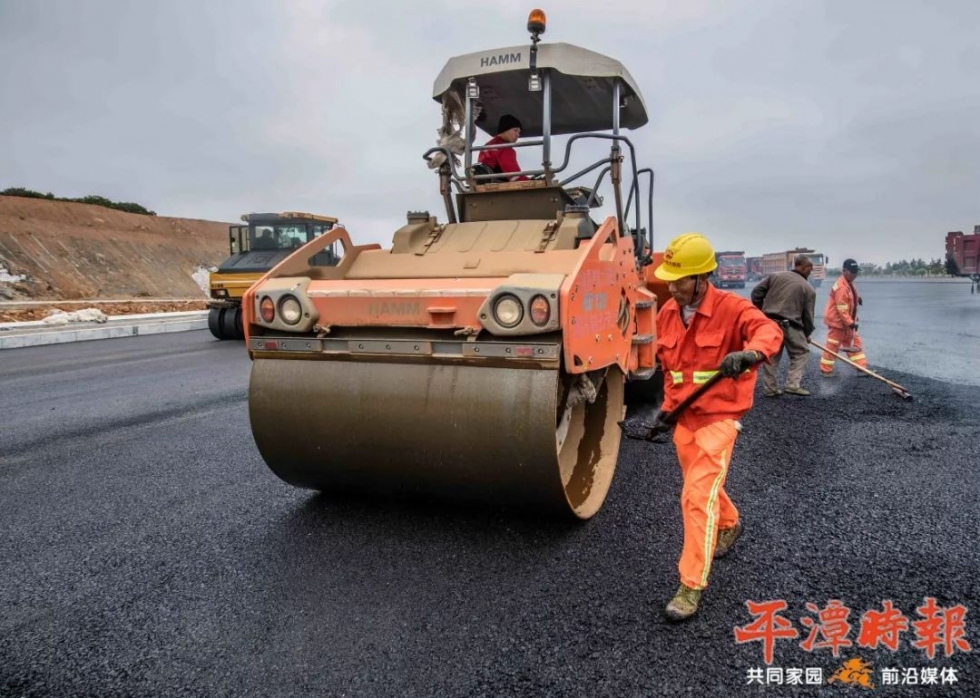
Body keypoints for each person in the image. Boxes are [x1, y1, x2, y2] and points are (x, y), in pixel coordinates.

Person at [651, 233, 783, 622]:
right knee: (704, 486)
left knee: (695, 497)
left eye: (679, 280)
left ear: (702, 277)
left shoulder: (732, 309)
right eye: (670, 279)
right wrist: (667, 411)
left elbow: (768, 332)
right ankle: (730, 522)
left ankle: (690, 586)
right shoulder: (666, 314)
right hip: (685, 418)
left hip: (720, 418)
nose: (671, 286)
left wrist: (749, 354)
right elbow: (672, 372)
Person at [751, 254, 817, 397]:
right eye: (809, 270)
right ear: (804, 267)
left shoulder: (775, 276)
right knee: (801, 352)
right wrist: (806, 335)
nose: (810, 273)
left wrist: (760, 312)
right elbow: (808, 317)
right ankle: (792, 385)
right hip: (790, 326)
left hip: (769, 324)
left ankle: (770, 389)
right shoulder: (808, 288)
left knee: (772, 355)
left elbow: (756, 292)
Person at [820, 258, 866, 376]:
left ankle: (862, 368)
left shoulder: (848, 283)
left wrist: (857, 298)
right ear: (844, 270)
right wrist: (851, 323)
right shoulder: (841, 286)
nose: (854, 275)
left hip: (847, 323)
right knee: (832, 346)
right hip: (838, 323)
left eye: (856, 272)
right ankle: (826, 370)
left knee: (855, 344)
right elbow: (842, 309)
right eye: (852, 272)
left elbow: (849, 295)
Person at [478, 114, 528, 181]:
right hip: (498, 185)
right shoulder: (505, 148)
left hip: (484, 182)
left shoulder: (487, 146)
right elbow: (514, 176)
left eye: (519, 132)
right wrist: (531, 181)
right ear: (505, 129)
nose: (518, 135)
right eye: (515, 130)